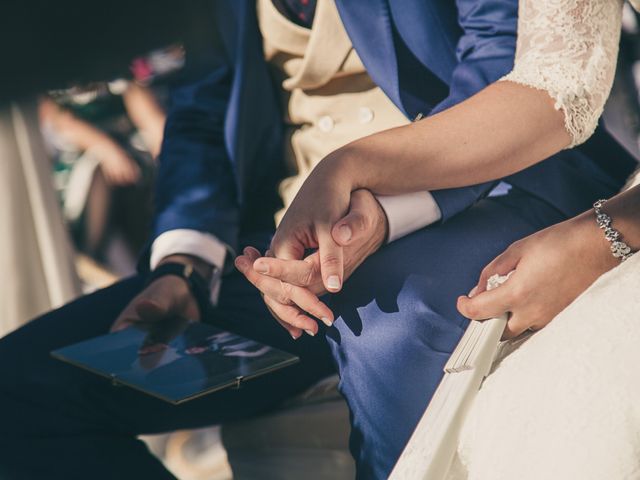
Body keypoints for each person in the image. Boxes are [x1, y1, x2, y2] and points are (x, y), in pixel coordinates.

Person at [0, 2, 636, 480]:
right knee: (23, 393)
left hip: (480, 200)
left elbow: (512, 63)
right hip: (272, 284)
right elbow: (201, 109)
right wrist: (185, 268)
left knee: (389, 327)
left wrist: (381, 202)